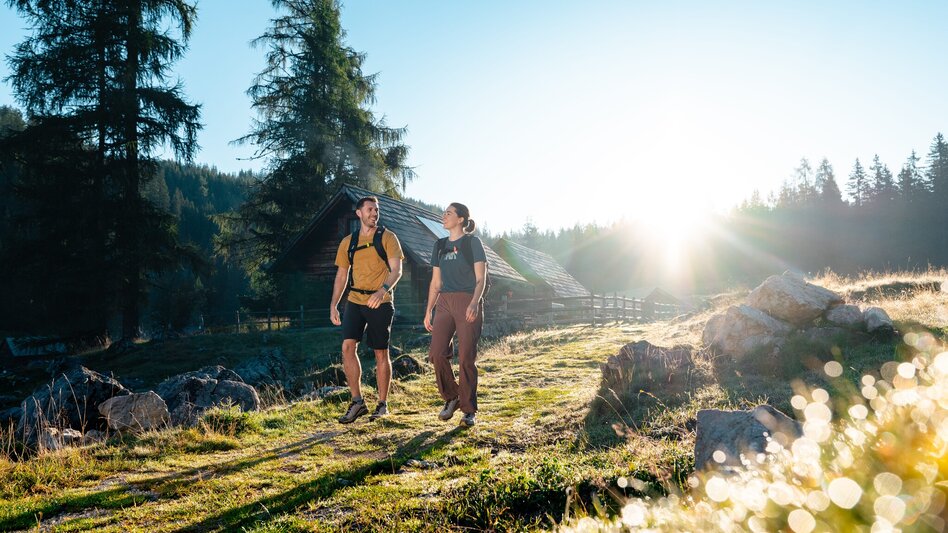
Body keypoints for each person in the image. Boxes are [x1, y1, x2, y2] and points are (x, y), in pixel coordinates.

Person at [330, 196, 404, 424]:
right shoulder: (348, 242)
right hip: (354, 300)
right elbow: (342, 275)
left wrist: (382, 291)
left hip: (380, 302)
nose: (375, 213)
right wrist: (334, 304)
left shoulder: (388, 237)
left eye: (377, 209)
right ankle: (357, 402)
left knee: (381, 353)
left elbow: (397, 271)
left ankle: (382, 404)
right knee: (347, 347)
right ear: (359, 213)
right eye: (370, 209)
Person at [424, 202, 487, 427]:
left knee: (466, 358)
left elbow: (481, 278)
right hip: (445, 302)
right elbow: (436, 282)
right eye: (444, 212)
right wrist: (428, 309)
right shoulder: (439, 245)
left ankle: (469, 411)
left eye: (449, 213)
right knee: (437, 353)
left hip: (467, 299)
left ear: (460, 219)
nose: (444, 215)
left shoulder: (472, 242)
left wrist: (474, 302)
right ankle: (452, 397)